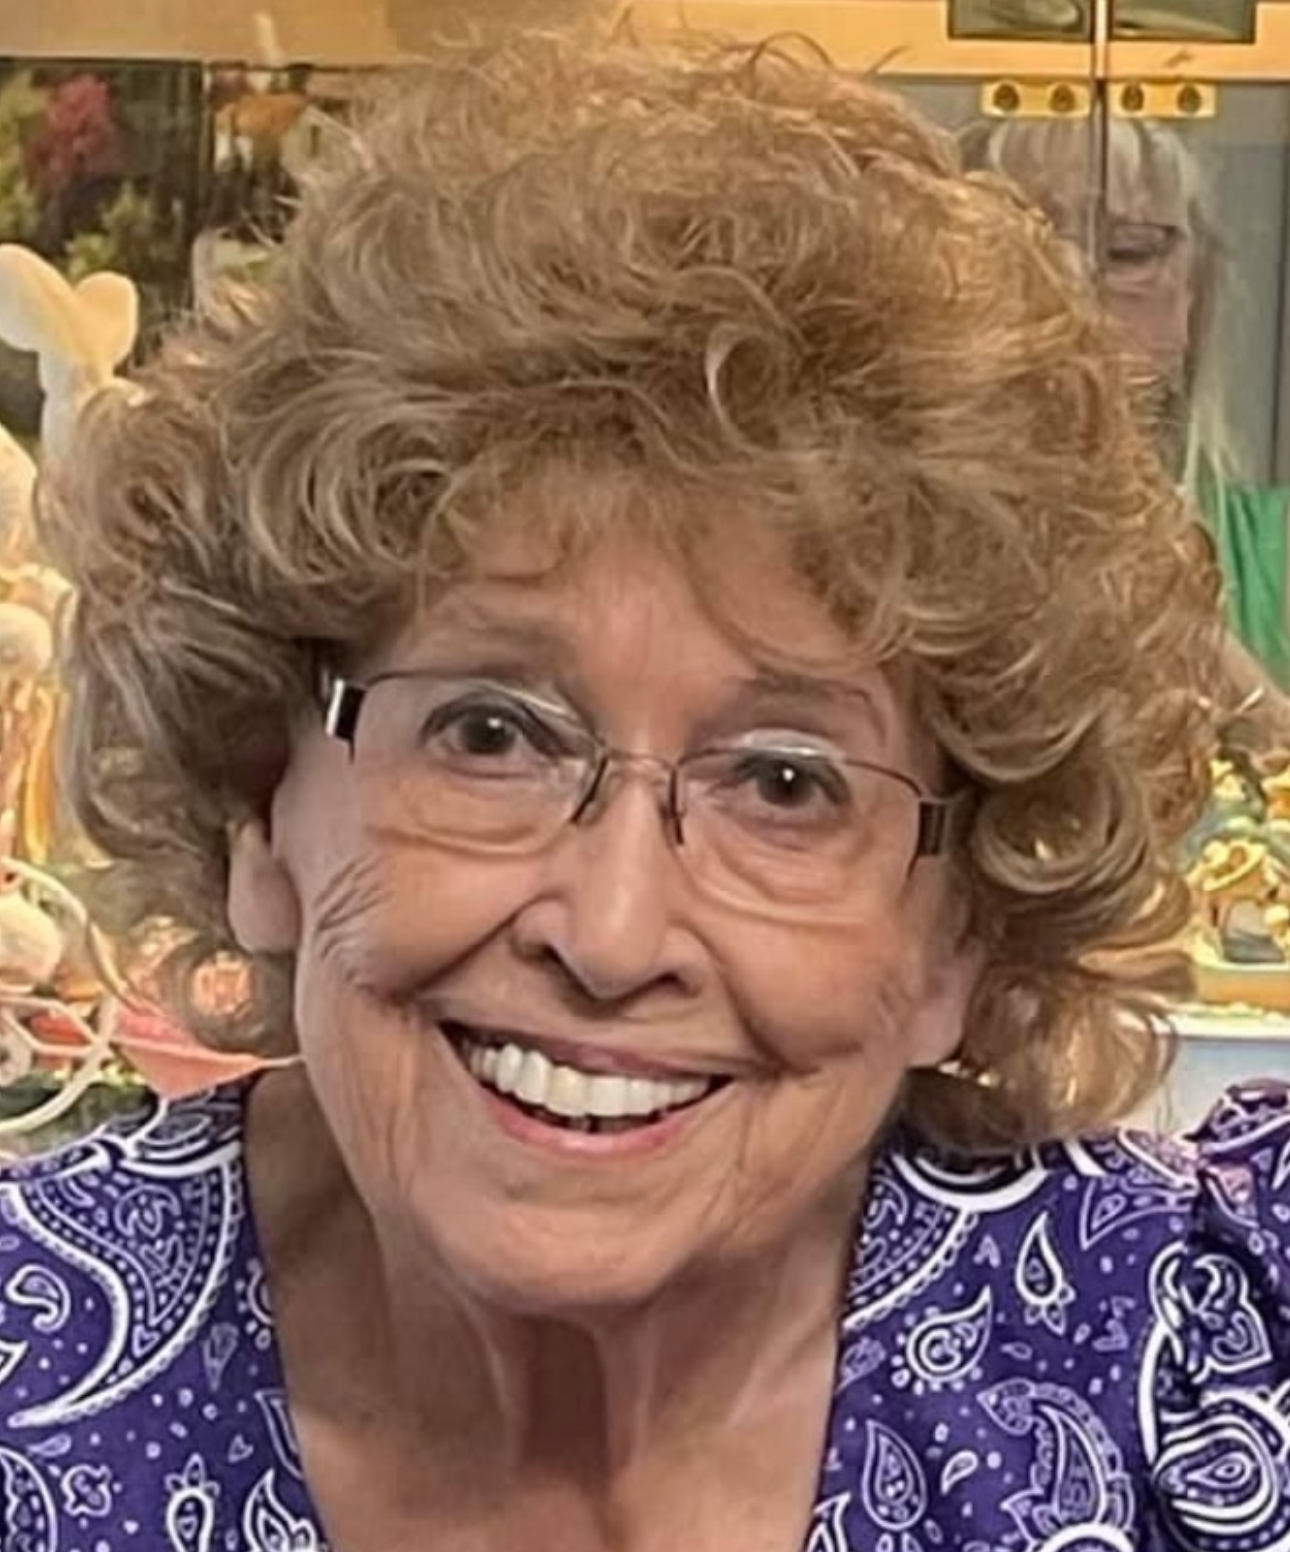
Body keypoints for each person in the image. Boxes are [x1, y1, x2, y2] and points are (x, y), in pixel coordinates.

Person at [0, 31, 1284, 1551]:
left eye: (787, 784)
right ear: (261, 806)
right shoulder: (34, 1366)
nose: (611, 935)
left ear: (958, 937)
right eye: (490, 735)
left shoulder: (1191, 1364)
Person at [960, 114, 1290, 712]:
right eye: (1009, 252)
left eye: (1127, 252)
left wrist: (1184, 630)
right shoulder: (869, 547)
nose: (1070, 295)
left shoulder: (1278, 552)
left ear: (1194, 294)